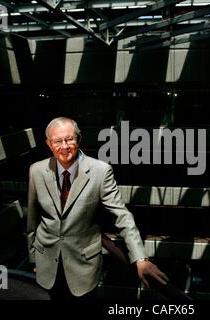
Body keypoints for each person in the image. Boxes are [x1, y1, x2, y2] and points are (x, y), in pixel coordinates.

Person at [27, 117, 168, 300]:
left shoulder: (101, 171)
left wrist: (140, 258)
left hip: (83, 268)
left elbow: (122, 216)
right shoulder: (36, 170)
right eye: (57, 141)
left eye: (69, 139)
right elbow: (32, 219)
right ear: (49, 144)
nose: (64, 146)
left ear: (78, 139)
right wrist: (33, 258)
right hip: (46, 264)